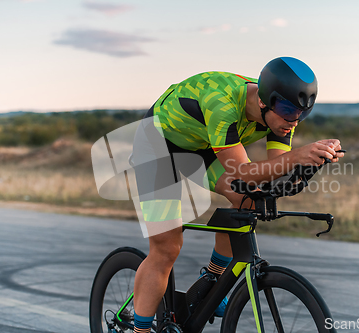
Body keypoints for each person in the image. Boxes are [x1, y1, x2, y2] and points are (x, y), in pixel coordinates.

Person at [130, 57, 344, 332]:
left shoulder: (282, 115)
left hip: (202, 146)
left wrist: (308, 162)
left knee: (248, 200)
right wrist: (296, 156)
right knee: (167, 248)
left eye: (303, 113)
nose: (294, 120)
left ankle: (211, 280)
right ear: (266, 101)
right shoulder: (222, 103)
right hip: (158, 147)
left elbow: (273, 170)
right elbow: (241, 173)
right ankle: (140, 329)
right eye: (289, 110)